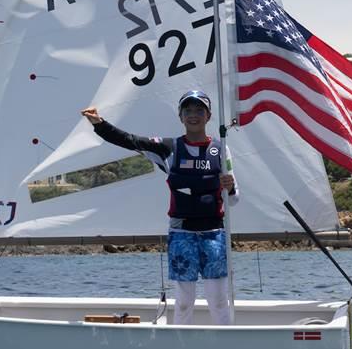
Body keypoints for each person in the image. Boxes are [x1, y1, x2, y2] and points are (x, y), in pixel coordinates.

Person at [81, 90, 238, 325]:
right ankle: (179, 347)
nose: (193, 115)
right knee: (185, 300)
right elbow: (130, 140)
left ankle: (228, 348)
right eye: (188, 111)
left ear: (209, 116)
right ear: (180, 116)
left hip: (214, 235)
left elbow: (234, 200)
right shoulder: (169, 148)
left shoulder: (221, 149)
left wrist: (232, 187)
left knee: (217, 300)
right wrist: (99, 124)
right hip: (181, 234)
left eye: (199, 111)